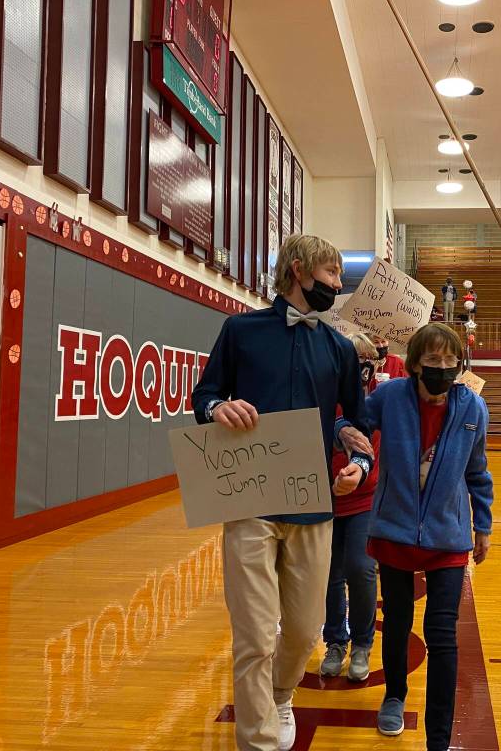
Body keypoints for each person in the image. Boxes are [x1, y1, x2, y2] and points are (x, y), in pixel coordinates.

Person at [191, 234, 372, 751]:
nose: (339, 286)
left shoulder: (338, 348)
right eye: (332, 275)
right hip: (248, 503)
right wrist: (215, 410)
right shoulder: (240, 331)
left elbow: (355, 425)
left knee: (304, 630)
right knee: (252, 636)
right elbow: (204, 397)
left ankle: (282, 691)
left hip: (313, 505)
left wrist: (356, 463)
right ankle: (259, 741)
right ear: (299, 270)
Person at [336, 322, 494, 749]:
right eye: (433, 361)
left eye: (450, 361)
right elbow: (355, 427)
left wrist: (483, 525)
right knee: (400, 623)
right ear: (415, 365)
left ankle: (438, 738)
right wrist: (351, 448)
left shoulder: (472, 410)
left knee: (443, 636)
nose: (442, 369)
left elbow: (478, 473)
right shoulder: (389, 397)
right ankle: (393, 696)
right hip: (394, 533)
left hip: (448, 538)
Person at [321, 334, 382, 683]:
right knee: (330, 575)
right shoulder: (324, 395)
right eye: (353, 357)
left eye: (365, 358)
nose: (359, 363)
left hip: (364, 499)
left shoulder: (378, 396)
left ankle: (361, 643)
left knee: (361, 569)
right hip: (324, 498)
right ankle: (334, 641)